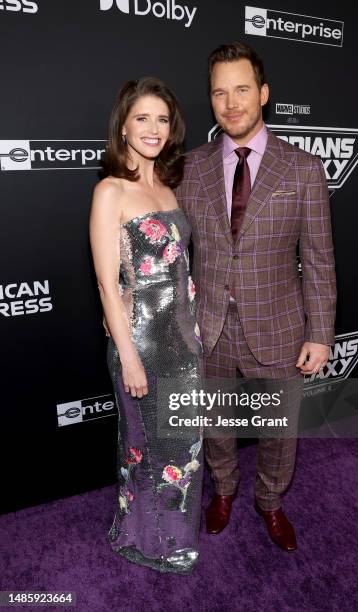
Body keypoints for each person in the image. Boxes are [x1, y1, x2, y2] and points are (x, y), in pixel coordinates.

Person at [176, 43, 337, 552]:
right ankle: (223, 491)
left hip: (281, 326)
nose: (231, 102)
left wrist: (321, 333)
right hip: (210, 327)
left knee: (278, 431)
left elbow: (319, 260)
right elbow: (168, 247)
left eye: (242, 89)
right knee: (217, 424)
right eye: (219, 92)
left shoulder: (303, 169)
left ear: (263, 94)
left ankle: (270, 501)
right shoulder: (189, 168)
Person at [89, 77, 204, 574]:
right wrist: (129, 356)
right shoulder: (110, 190)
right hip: (140, 341)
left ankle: (178, 531)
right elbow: (107, 286)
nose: (153, 129)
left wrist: (196, 334)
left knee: (184, 443)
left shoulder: (166, 186)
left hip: (183, 338)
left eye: (162, 119)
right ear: (124, 125)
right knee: (146, 448)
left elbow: (182, 270)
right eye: (143, 118)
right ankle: (148, 539)